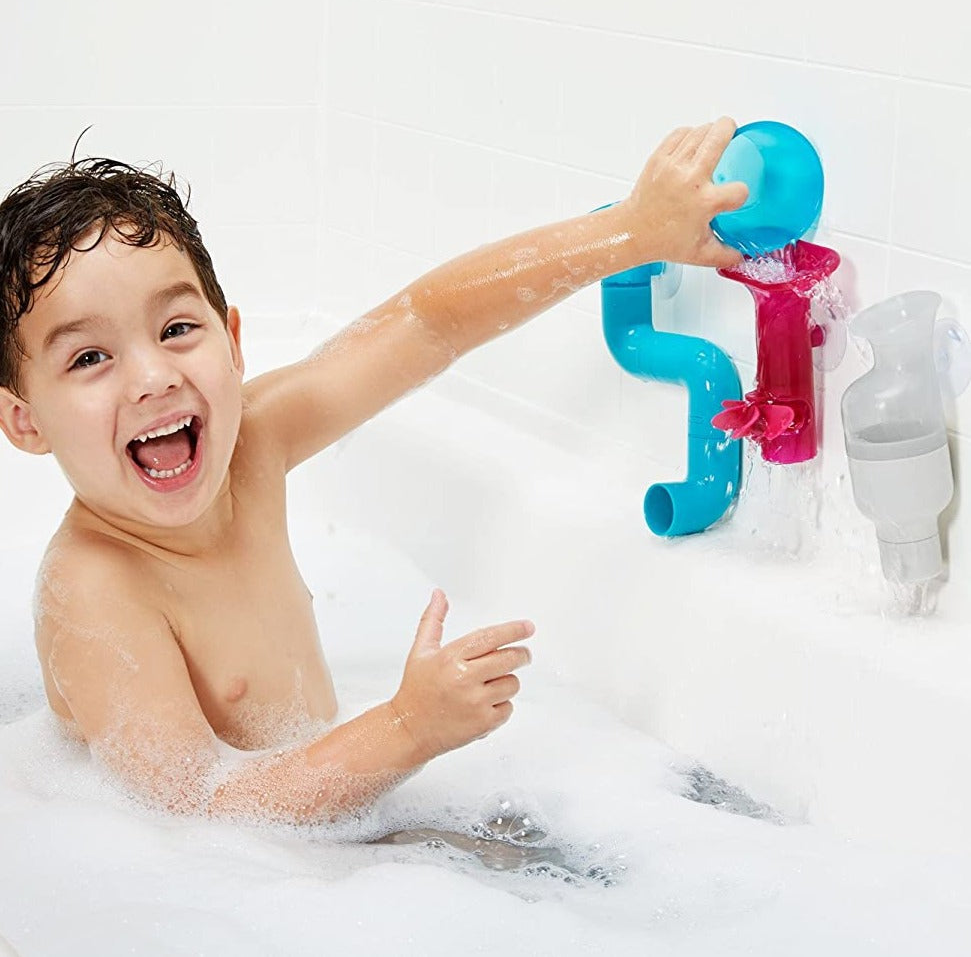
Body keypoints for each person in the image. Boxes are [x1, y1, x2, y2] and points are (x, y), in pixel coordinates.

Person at [0, 118, 747, 823]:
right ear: (26, 420)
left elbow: (428, 322)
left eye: (176, 328)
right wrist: (405, 728)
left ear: (232, 343)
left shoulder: (252, 443)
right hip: (243, 874)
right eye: (89, 357)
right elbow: (199, 812)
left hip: (329, 840)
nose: (153, 376)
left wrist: (628, 232)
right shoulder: (93, 590)